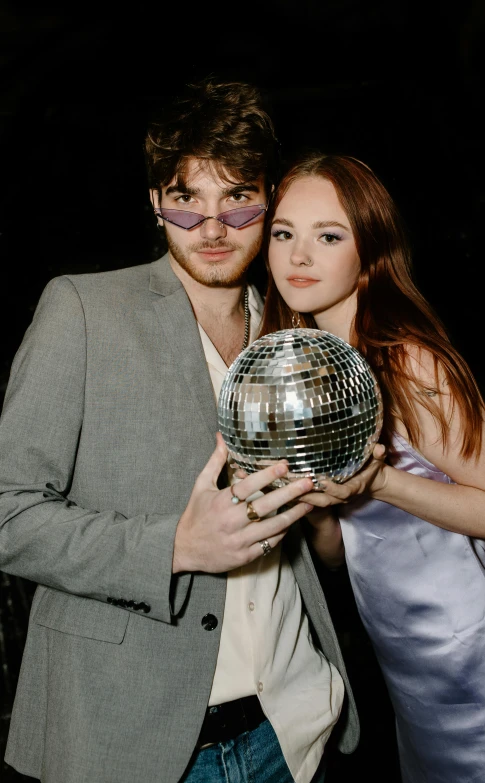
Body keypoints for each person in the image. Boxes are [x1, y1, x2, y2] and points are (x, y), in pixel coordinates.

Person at [0, 85, 359, 783]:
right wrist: (175, 546)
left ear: (271, 197)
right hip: (134, 741)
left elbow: (321, 542)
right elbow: (7, 513)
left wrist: (334, 508)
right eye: (185, 197)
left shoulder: (295, 337)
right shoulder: (81, 309)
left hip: (292, 728)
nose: (213, 225)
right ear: (155, 202)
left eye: (238, 197)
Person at [259, 151, 485, 782]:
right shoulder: (306, 370)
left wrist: (379, 480)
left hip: (477, 658)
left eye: (328, 236)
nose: (298, 257)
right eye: (283, 233)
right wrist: (320, 506)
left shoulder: (407, 362)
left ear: (369, 250)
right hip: (407, 668)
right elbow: (341, 555)